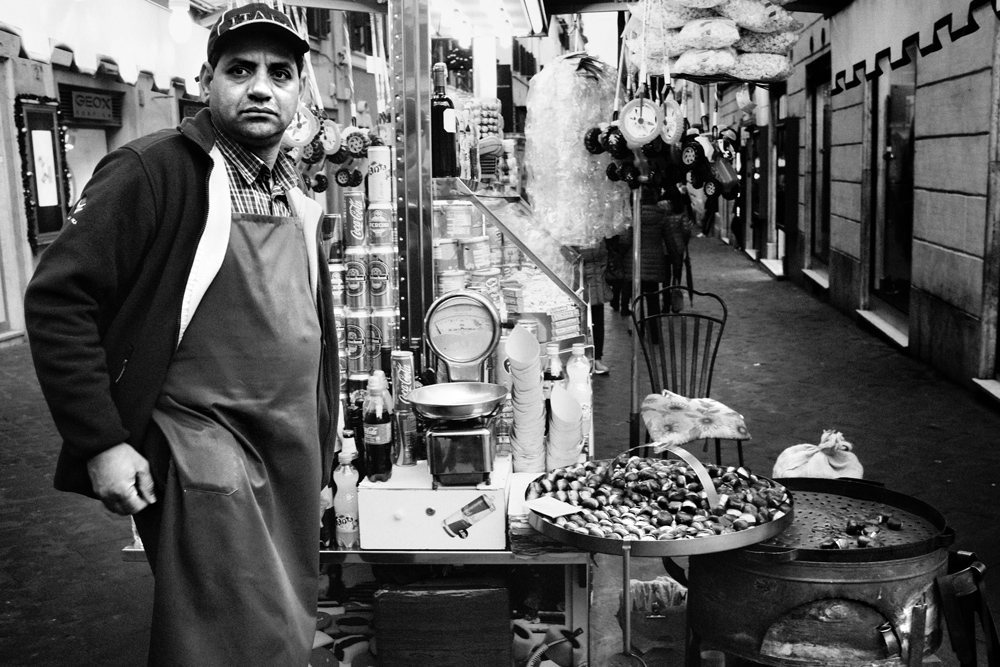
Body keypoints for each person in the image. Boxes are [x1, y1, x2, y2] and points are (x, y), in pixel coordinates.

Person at [23, 5, 340, 666]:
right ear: (205, 81)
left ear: (299, 92)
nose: (261, 88)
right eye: (240, 70)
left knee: (285, 625)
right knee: (225, 640)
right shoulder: (152, 171)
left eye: (280, 73)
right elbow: (59, 300)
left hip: (289, 454)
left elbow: (311, 330)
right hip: (202, 453)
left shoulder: (292, 192)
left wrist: (326, 440)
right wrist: (101, 440)